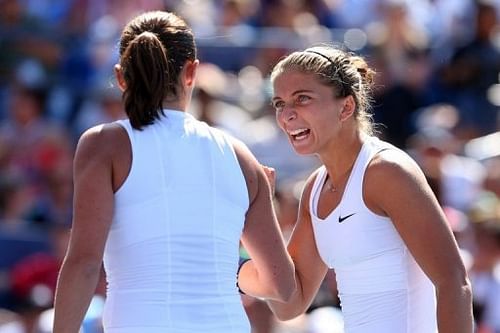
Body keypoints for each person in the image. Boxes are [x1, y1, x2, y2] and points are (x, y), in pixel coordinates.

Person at [52, 11, 295, 333]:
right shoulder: (241, 157)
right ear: (192, 72)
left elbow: (84, 263)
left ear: (121, 77)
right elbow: (282, 286)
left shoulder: (103, 144)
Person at [240, 45, 474, 332]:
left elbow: (453, 282)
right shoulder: (314, 189)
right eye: (279, 103)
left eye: (302, 99)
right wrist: (259, 213)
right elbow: (288, 303)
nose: (286, 115)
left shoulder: (386, 172)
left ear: (346, 107)